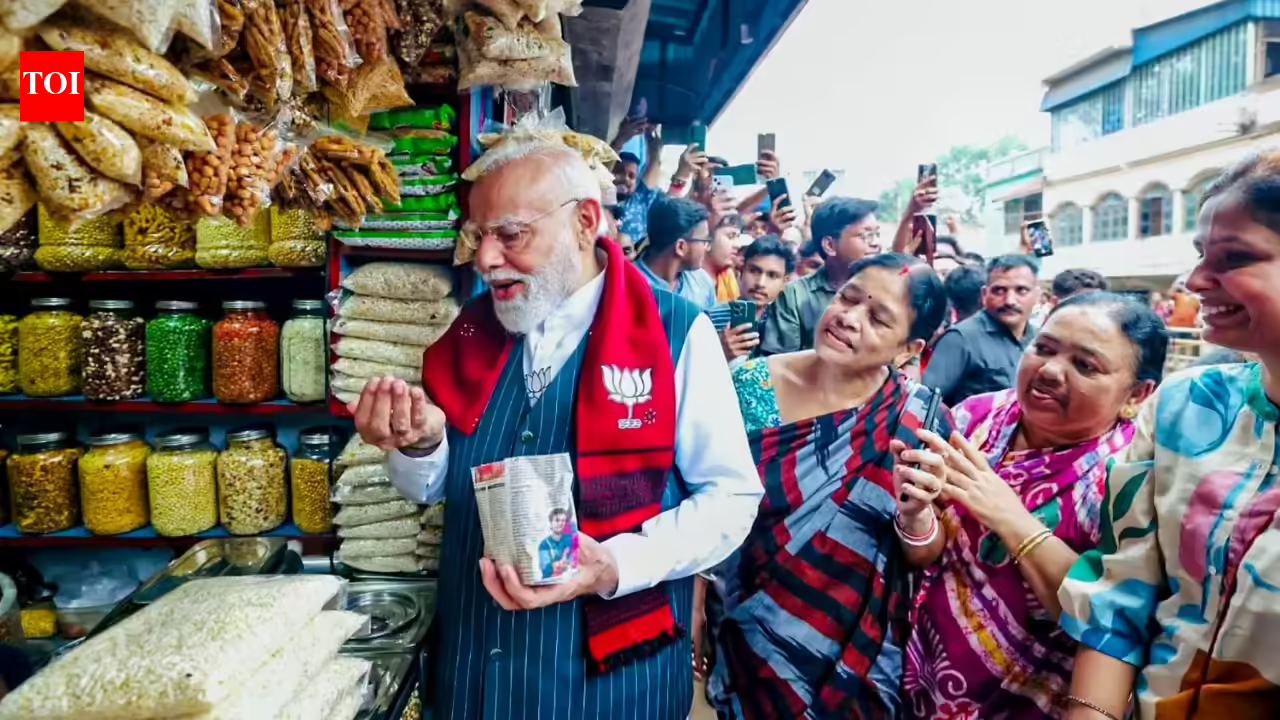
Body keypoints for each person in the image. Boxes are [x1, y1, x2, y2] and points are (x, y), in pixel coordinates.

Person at [352, 140, 763, 719]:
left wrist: (615, 564)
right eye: (478, 237)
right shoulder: (470, 334)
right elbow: (433, 487)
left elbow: (731, 498)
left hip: (612, 685)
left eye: (511, 234)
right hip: (475, 668)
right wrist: (421, 444)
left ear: (585, 222)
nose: (486, 259)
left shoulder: (674, 333)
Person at [1058, 151, 1280, 720]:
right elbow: (1121, 594)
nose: (1195, 281)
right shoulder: (1184, 407)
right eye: (1201, 254)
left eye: (1235, 258)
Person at [704, 253, 953, 718]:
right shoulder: (750, 385)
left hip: (852, 657)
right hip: (744, 628)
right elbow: (703, 504)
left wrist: (916, 516)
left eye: (877, 318)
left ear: (909, 349)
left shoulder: (919, 422)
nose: (848, 318)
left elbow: (925, 554)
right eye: (848, 298)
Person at [903, 292, 1167, 719]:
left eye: (1085, 365)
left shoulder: (1131, 479)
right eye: (1043, 348)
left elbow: (1113, 619)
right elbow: (924, 550)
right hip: (917, 665)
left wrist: (1011, 519)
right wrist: (914, 515)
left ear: (1137, 394)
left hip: (1030, 697)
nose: (1049, 370)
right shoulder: (975, 417)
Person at [759, 197, 882, 354]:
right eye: (866, 236)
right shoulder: (795, 296)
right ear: (830, 245)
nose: (876, 243)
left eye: (877, 234)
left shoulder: (888, 290)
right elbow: (779, 361)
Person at [924, 254, 1041, 406]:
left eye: (1021, 290)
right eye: (999, 291)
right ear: (985, 294)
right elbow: (925, 402)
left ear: (1037, 295)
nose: (1010, 300)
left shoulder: (1040, 340)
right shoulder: (962, 339)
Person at [707, 234, 794, 362]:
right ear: (741, 271)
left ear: (784, 282)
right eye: (754, 271)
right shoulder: (710, 319)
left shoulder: (788, 325)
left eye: (772, 275)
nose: (760, 283)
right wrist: (721, 353)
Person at [638, 195, 718, 309]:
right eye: (704, 241)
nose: (707, 248)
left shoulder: (703, 282)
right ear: (681, 247)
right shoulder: (627, 285)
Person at [611, 117, 665, 239]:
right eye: (619, 172)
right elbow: (602, 172)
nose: (625, 179)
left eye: (632, 176)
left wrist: (653, 144)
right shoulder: (598, 197)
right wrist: (621, 139)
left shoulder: (638, 202)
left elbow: (654, 161)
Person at [706, 214, 743, 303]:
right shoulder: (689, 283)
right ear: (707, 242)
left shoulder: (730, 278)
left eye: (738, 237)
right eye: (730, 237)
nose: (738, 245)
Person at [538, 508, 577, 580]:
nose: (560, 523)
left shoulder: (570, 541)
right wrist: (559, 564)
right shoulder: (544, 545)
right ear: (550, 523)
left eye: (563, 521)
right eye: (557, 520)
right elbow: (545, 570)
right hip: (551, 582)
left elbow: (575, 564)